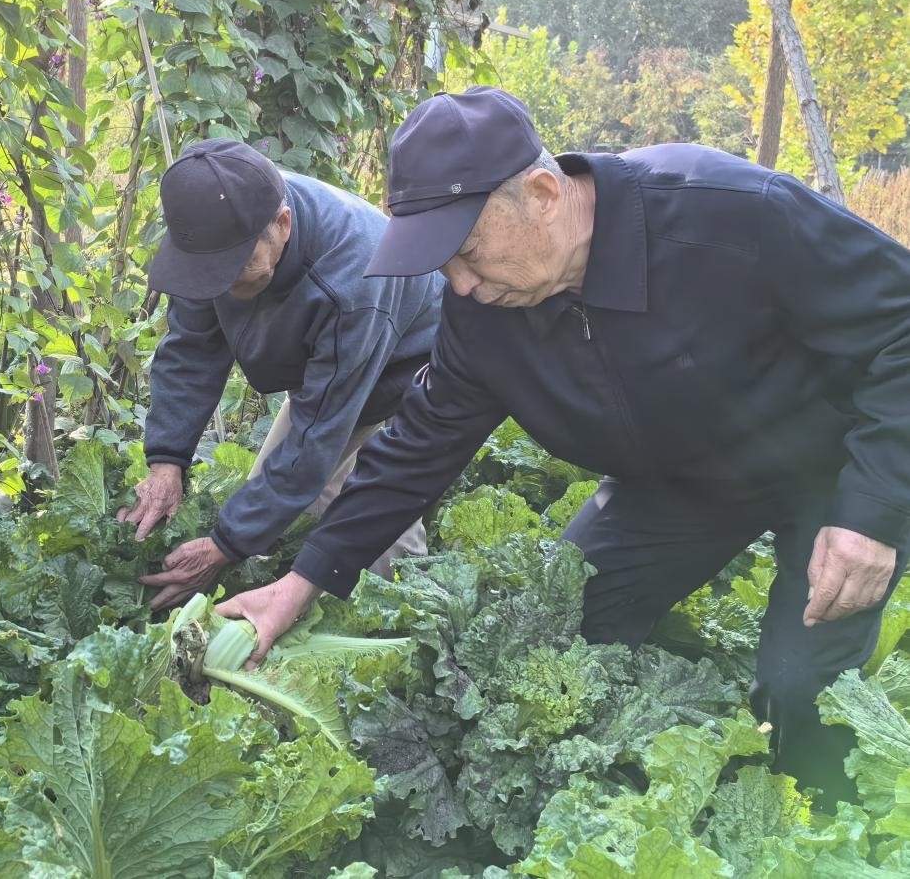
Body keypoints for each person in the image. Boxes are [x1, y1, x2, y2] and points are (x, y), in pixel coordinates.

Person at [217, 87, 910, 802]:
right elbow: (421, 441)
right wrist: (303, 580)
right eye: (440, 265)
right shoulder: (483, 308)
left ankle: (824, 827)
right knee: (555, 637)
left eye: (466, 252)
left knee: (802, 693)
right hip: (673, 485)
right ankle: (639, 786)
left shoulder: (732, 212)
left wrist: (873, 510)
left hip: (829, 474)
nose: (458, 283)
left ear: (544, 193)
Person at [120, 138, 443, 610]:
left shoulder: (353, 278)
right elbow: (190, 351)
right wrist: (167, 460)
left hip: (408, 373)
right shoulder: (211, 230)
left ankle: (406, 627)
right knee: (278, 510)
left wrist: (225, 547)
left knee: (373, 522)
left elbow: (316, 435)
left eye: (234, 269)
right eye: (210, 274)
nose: (222, 286)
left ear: (283, 225)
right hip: (329, 370)